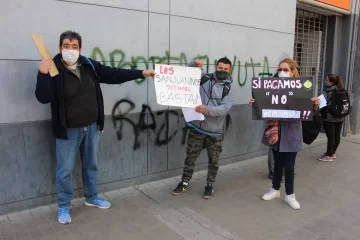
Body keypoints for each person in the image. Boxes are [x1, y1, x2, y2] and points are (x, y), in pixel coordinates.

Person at [35, 31, 155, 224]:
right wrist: (42, 73)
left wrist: (141, 73)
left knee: (91, 165)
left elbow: (113, 74)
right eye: (67, 46)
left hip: (91, 126)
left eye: (75, 47)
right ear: (60, 48)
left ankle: (91, 198)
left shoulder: (88, 65)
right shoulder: (53, 68)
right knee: (64, 170)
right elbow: (43, 97)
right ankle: (64, 206)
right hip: (68, 130)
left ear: (80, 49)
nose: (71, 50)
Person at [249, 58, 320, 210]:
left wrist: (314, 105)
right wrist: (255, 104)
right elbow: (263, 106)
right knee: (277, 163)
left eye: (285, 70)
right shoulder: (270, 86)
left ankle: (290, 194)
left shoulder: (302, 88)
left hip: (292, 133)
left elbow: (306, 113)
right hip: (275, 131)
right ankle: (275, 189)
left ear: (293, 71)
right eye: (280, 69)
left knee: (289, 166)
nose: (281, 72)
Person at [172, 57, 235, 199]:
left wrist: (206, 109)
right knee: (190, 157)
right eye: (220, 68)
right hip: (196, 127)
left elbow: (224, 109)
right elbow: (188, 71)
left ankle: (210, 185)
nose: (222, 71)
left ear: (229, 70)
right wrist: (194, 62)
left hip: (214, 131)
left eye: (225, 69)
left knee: (214, 160)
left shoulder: (228, 89)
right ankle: (184, 182)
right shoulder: (204, 77)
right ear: (215, 67)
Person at [317, 74, 346, 162]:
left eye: (326, 81)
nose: (325, 82)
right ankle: (332, 153)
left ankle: (329, 155)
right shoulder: (341, 90)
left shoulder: (327, 91)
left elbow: (320, 104)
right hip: (340, 117)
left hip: (329, 118)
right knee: (337, 136)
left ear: (331, 83)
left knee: (331, 137)